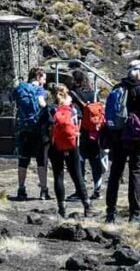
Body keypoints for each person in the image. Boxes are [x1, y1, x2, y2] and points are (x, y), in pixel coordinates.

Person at [104, 60, 140, 225]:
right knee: (135, 173)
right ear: (138, 73)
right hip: (135, 137)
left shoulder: (117, 87)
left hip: (116, 137)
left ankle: (110, 213)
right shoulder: (139, 90)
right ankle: (135, 214)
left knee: (115, 174)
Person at [49, 84, 92, 217]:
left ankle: (62, 208)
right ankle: (87, 206)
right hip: (73, 144)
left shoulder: (51, 109)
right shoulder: (73, 109)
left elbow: (46, 126)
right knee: (77, 174)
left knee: (58, 175)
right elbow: (79, 125)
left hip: (55, 145)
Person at [11, 67, 50, 201]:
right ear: (38, 78)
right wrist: (47, 109)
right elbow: (41, 103)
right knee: (41, 161)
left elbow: (11, 98)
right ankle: (44, 190)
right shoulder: (40, 90)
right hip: (38, 130)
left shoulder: (20, 87)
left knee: (23, 161)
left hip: (23, 129)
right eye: (43, 78)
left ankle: (21, 188)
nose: (44, 82)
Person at [69, 69, 106, 201]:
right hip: (95, 131)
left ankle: (81, 190)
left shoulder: (73, 94)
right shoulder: (94, 94)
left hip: (82, 131)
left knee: (80, 160)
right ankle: (97, 189)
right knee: (95, 160)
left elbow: (75, 114)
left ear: (75, 80)